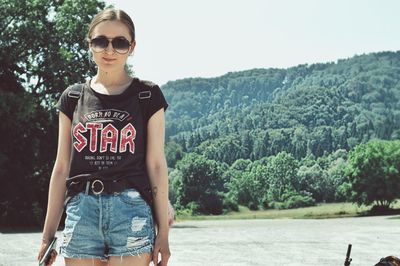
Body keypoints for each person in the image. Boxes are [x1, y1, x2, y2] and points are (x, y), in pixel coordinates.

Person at [37, 8, 172, 266]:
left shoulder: (147, 95)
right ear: (90, 44)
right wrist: (47, 236)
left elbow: (156, 164)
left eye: (120, 42)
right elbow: (62, 167)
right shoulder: (73, 98)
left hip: (132, 211)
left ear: (132, 47)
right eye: (101, 41)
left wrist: (163, 234)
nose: (109, 50)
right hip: (81, 212)